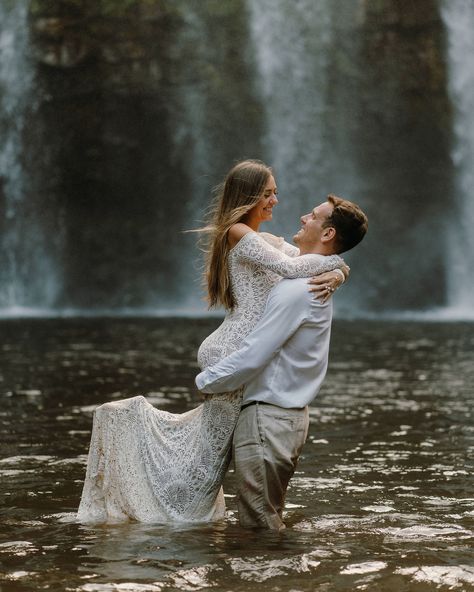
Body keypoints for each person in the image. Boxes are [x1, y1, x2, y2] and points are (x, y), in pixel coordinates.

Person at [77, 160, 347, 524]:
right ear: (248, 196)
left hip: (238, 350)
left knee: (208, 456)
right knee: (206, 464)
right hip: (232, 349)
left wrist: (339, 272)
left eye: (275, 192)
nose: (276, 200)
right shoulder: (238, 233)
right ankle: (168, 518)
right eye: (268, 193)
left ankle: (177, 522)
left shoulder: (266, 241)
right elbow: (297, 268)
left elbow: (313, 257)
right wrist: (337, 270)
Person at [195, 195, 368, 530]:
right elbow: (300, 259)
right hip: (281, 418)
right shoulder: (310, 278)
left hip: (267, 417)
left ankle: (272, 579)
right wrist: (340, 271)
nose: (304, 217)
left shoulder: (298, 290)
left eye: (314, 216)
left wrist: (205, 381)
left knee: (260, 524)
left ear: (328, 234)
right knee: (268, 515)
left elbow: (254, 355)